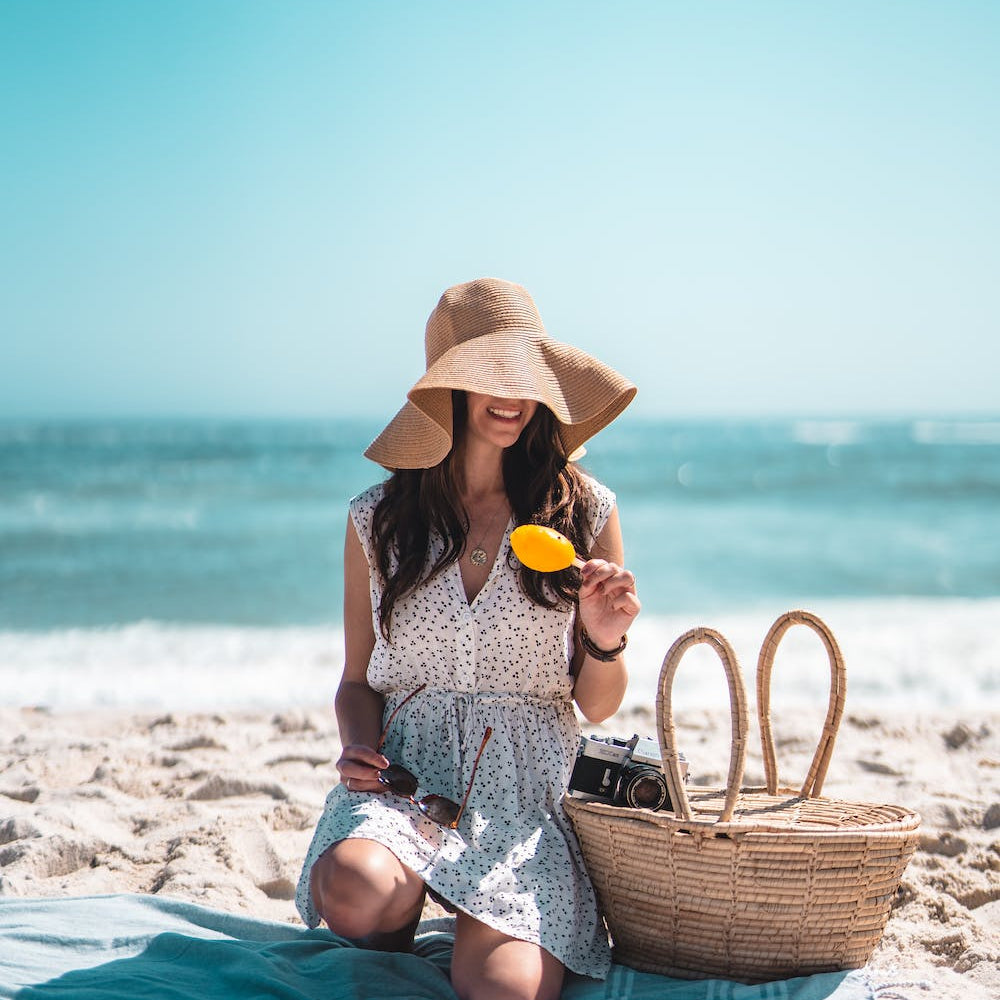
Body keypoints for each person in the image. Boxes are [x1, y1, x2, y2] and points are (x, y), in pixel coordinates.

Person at [295, 277, 640, 1000]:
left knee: (503, 992)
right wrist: (361, 749)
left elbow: (598, 706)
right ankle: (400, 905)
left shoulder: (585, 511)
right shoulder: (378, 520)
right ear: (448, 388)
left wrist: (604, 641)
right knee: (354, 889)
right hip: (408, 783)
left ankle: (468, 924)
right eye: (489, 374)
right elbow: (358, 680)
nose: (510, 394)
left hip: (526, 794)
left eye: (524, 376)